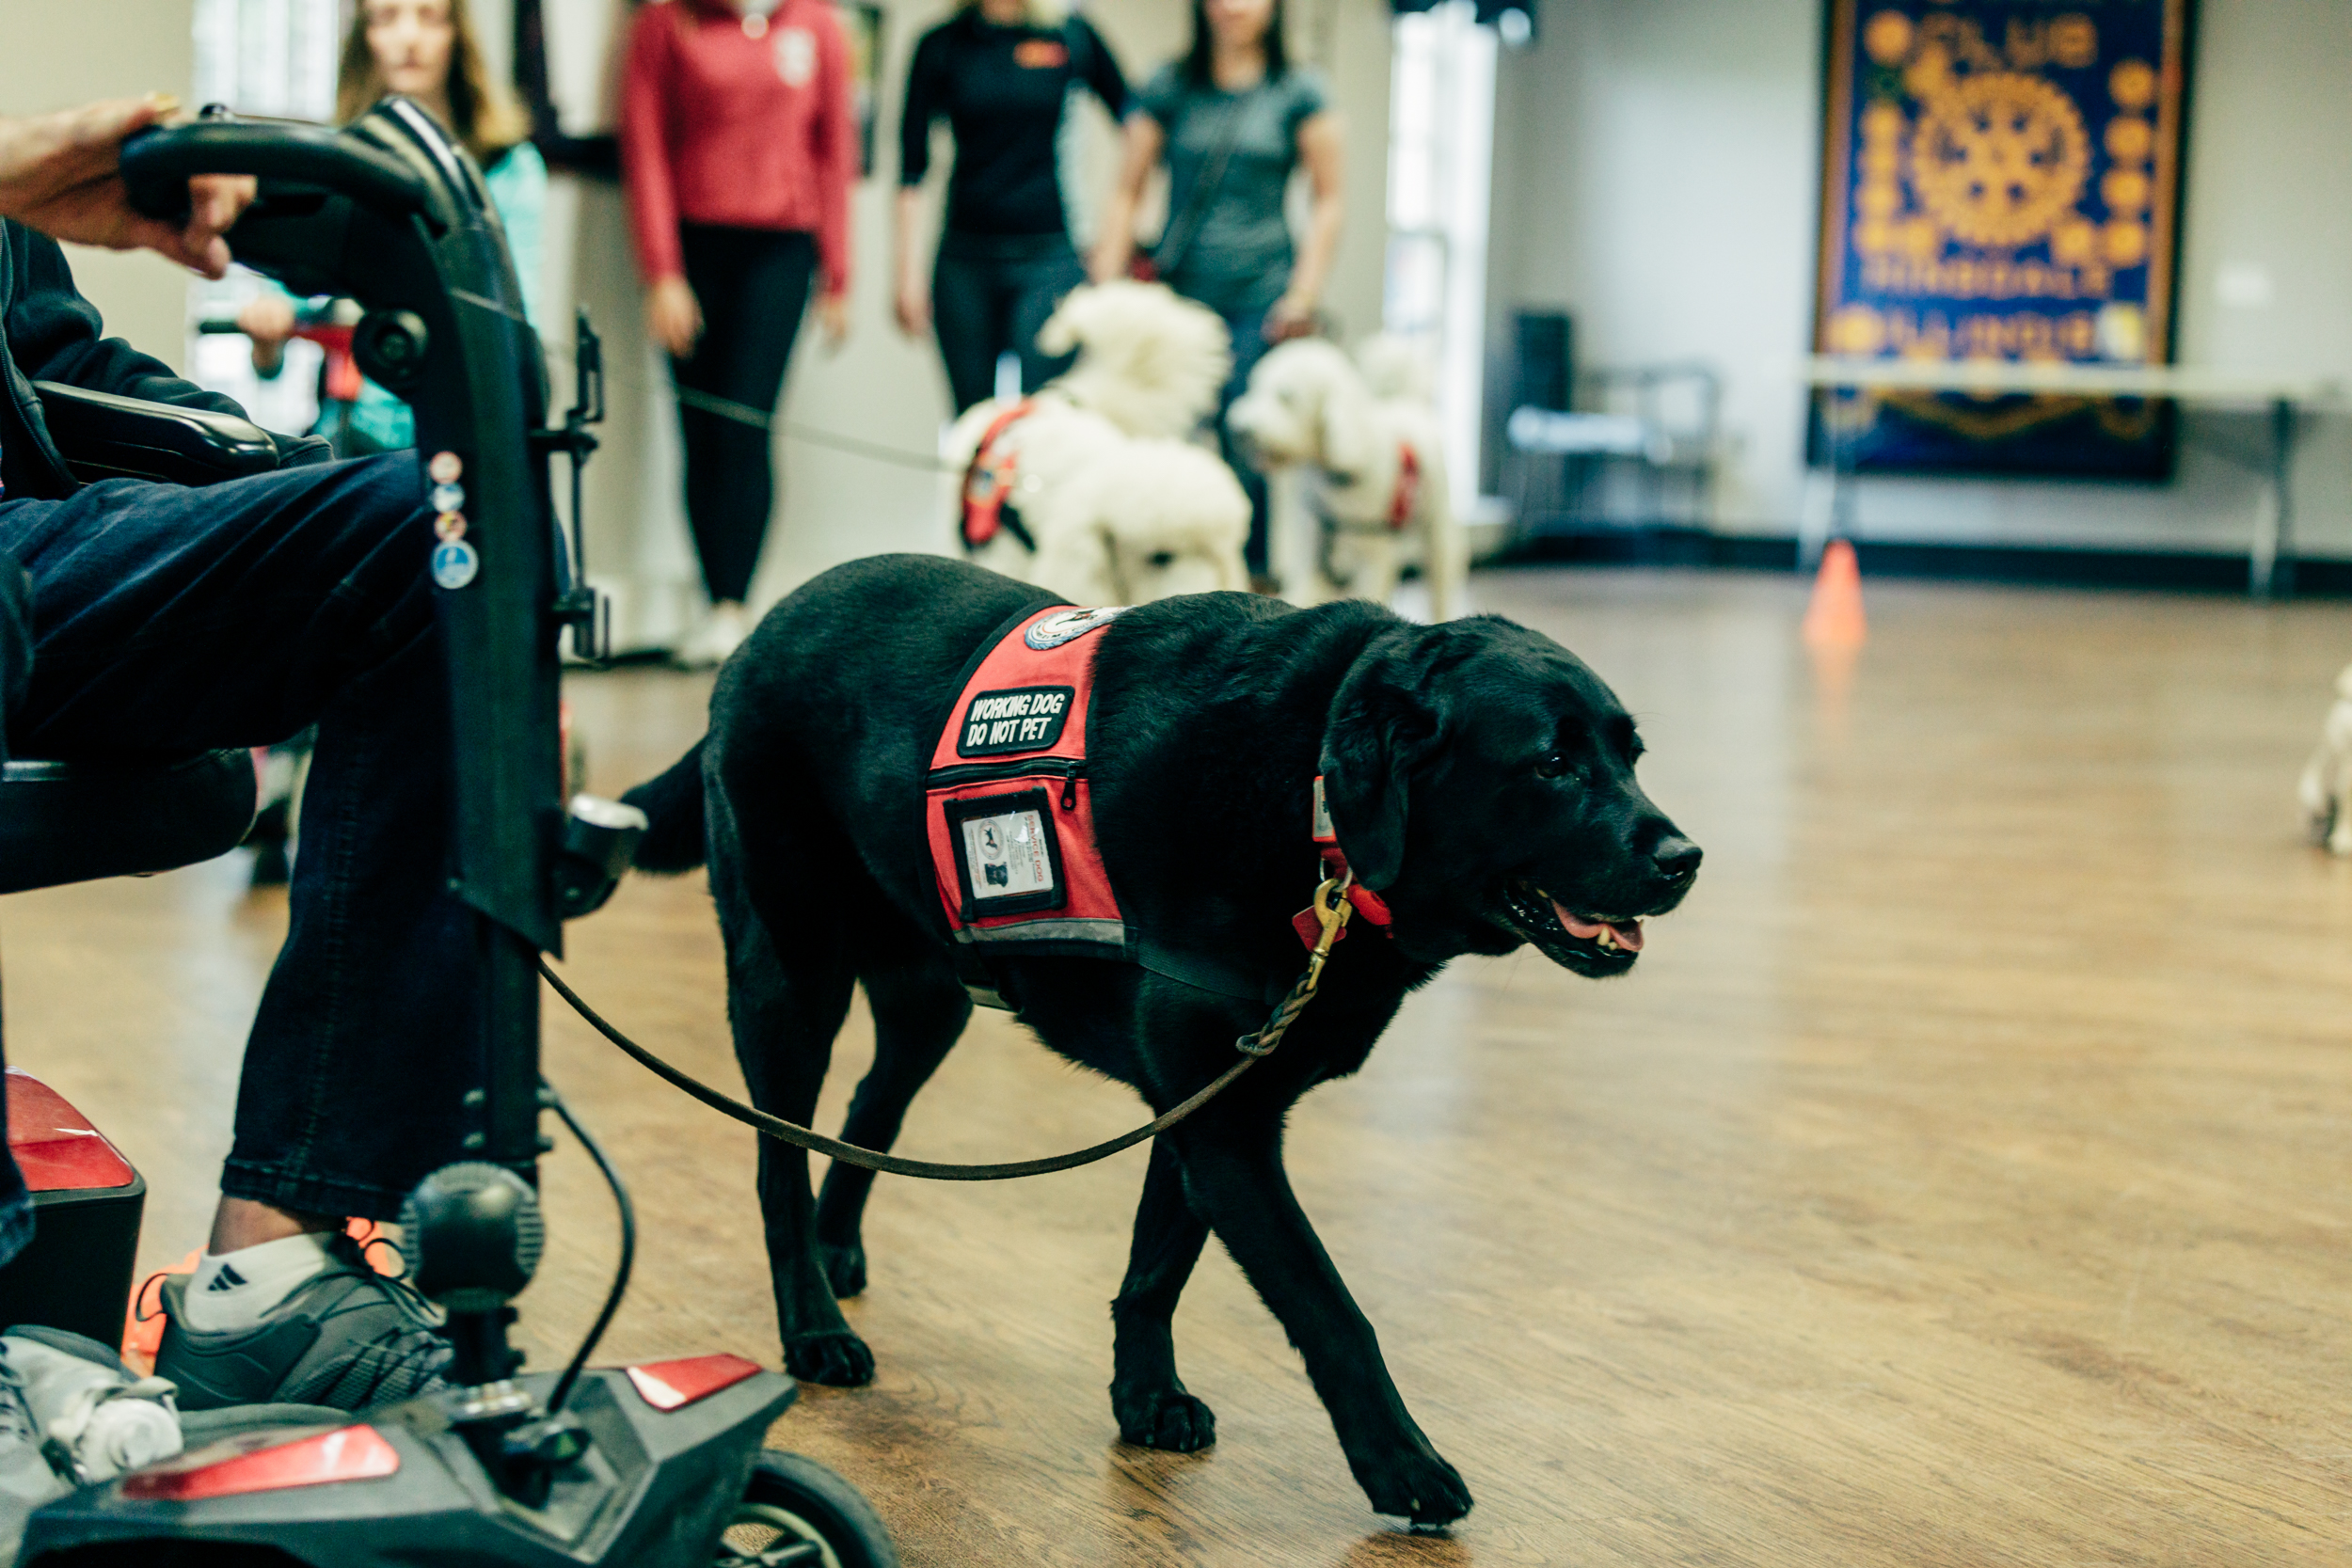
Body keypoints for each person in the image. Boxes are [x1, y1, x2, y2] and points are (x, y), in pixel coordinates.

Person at [0, 96, 478, 1411]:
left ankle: (272, 1273)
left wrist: (294, 484)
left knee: (443, 535)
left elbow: (49, 358)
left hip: (31, 551)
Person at [621, 0, 857, 669]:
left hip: (781, 251)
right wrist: (662, 272)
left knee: (747, 423)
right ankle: (711, 598)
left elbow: (836, 147)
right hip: (696, 249)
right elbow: (645, 146)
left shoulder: (816, 25)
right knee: (698, 428)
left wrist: (839, 272)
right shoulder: (667, 22)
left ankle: (736, 604)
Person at [1089, 0, 1342, 592]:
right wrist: (1106, 288)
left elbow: (1330, 199)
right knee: (1165, 440)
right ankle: (1163, 580)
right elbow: (1128, 187)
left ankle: (1249, 588)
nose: (1235, 7)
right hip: (1180, 298)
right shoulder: (1169, 83)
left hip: (1262, 296)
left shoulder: (1300, 90)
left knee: (1246, 444)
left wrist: (1304, 293)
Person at [236, 0, 548, 455]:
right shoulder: (335, 163)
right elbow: (277, 337)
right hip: (349, 438)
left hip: (465, 435)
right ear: (366, 36)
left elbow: (516, 322)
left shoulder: (511, 168)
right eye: (387, 17)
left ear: (455, 34)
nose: (409, 37)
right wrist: (267, 332)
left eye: (428, 16)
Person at [895, 0, 1128, 414]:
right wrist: (906, 274)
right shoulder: (942, 44)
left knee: (1047, 417)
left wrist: (1113, 245)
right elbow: (912, 168)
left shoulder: (1071, 35)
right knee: (974, 421)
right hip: (964, 263)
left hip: (1051, 259)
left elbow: (1139, 127)